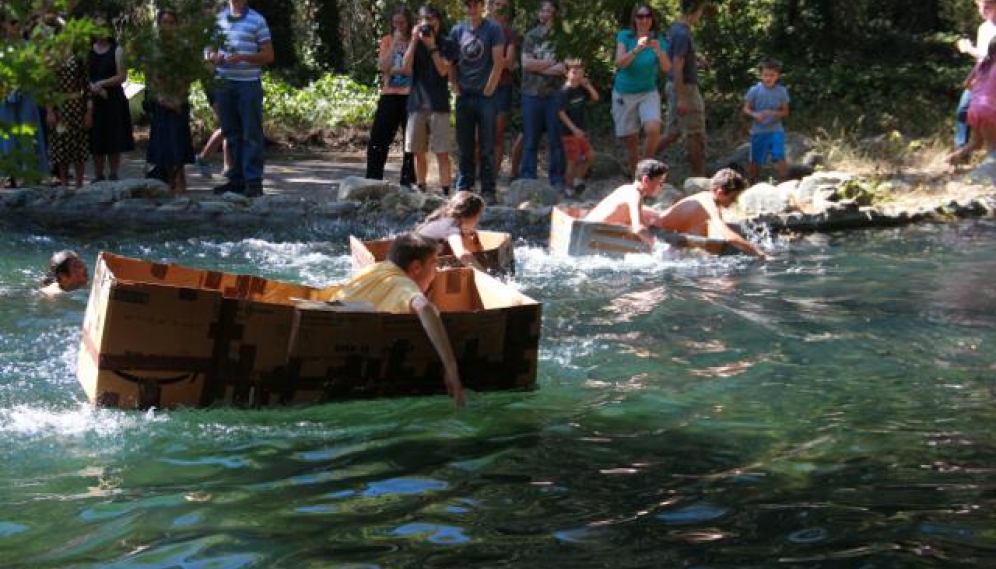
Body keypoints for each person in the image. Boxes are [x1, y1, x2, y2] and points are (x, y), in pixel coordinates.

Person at [330, 232, 465, 407]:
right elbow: (423, 307)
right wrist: (451, 367)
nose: (436, 272)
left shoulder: (372, 270)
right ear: (416, 267)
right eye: (434, 264)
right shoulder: (402, 284)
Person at [207, 0, 274, 197]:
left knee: (251, 133)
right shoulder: (217, 20)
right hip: (223, 84)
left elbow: (269, 55)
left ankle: (253, 182)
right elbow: (207, 50)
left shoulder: (257, 20)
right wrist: (213, 57)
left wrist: (244, 57)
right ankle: (236, 180)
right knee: (231, 132)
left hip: (248, 84)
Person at [449, 0, 505, 202]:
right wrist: (454, 84)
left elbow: (499, 62)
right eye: (467, 5)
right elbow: (452, 61)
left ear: (481, 6)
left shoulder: (493, 28)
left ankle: (488, 190)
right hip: (464, 95)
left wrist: (490, 88)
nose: (471, 9)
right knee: (465, 145)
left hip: (486, 97)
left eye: (474, 4)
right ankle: (464, 187)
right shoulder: (457, 30)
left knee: (487, 145)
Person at [403, 5, 458, 195]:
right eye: (425, 18)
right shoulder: (414, 43)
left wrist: (432, 46)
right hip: (416, 104)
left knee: (442, 152)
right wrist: (412, 40)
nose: (429, 22)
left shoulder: (448, 43)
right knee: (418, 152)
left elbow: (444, 70)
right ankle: (421, 190)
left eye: (433, 18)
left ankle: (445, 194)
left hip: (439, 105)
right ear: (419, 22)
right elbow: (405, 68)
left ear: (439, 21)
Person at [654, 168, 766, 258]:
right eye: (732, 197)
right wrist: (759, 253)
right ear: (720, 192)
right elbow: (729, 236)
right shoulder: (708, 203)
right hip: (657, 235)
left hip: (668, 236)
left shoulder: (711, 201)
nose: (733, 202)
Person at [611, 3, 670, 175]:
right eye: (640, 16)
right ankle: (635, 178)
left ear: (652, 19)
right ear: (634, 19)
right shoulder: (625, 36)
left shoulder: (659, 39)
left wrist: (659, 52)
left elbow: (666, 68)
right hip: (624, 93)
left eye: (647, 16)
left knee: (653, 128)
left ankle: (647, 170)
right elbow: (619, 63)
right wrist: (637, 49)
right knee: (631, 143)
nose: (644, 20)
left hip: (648, 92)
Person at [365, 5, 417, 188]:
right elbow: (383, 66)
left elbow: (412, 70)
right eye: (395, 23)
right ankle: (372, 180)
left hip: (410, 96)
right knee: (378, 139)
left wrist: (398, 69)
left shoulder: (415, 40)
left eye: (402, 22)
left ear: (408, 22)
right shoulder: (387, 40)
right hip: (389, 95)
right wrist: (394, 44)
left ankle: (407, 182)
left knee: (410, 143)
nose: (399, 26)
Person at [145, 9, 195, 194]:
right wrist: (162, 98)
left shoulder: (184, 48)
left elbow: (188, 76)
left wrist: (177, 98)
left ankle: (181, 182)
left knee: (178, 143)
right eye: (164, 22)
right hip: (160, 102)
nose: (168, 26)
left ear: (177, 25)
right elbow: (150, 77)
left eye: (171, 22)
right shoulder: (153, 49)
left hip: (179, 102)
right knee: (163, 146)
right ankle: (166, 183)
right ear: (159, 25)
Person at [519, 1, 566, 191]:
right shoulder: (531, 36)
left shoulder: (562, 38)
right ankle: (528, 179)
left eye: (548, 10)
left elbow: (563, 68)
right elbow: (526, 64)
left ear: (555, 14)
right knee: (530, 138)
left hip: (555, 94)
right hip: (531, 93)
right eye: (542, 10)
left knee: (556, 139)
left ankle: (557, 180)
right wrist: (550, 64)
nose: (545, 14)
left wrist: (539, 65)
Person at [656, 0, 706, 177]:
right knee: (695, 133)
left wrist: (696, 59)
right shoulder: (682, 33)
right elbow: (677, 65)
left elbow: (678, 55)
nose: (701, 14)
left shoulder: (675, 29)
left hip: (674, 85)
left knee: (673, 133)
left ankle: (639, 160)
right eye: (700, 10)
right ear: (693, 10)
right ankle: (700, 178)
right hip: (685, 87)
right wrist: (683, 97)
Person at [1, 16, 50, 188]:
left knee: (28, 132)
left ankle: (29, 172)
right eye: (12, 23)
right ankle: (9, 175)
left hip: (27, 94)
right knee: (7, 135)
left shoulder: (30, 47)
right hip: (4, 95)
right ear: (4, 25)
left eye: (19, 24)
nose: (16, 27)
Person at [87, 13, 134, 183]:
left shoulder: (117, 50)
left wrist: (102, 83)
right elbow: (83, 76)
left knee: (114, 136)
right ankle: (98, 175)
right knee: (96, 137)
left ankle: (114, 173)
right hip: (93, 100)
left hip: (113, 98)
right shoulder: (87, 51)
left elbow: (122, 76)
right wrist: (94, 88)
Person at [584, 158, 669, 246]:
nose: (661, 187)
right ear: (646, 180)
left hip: (585, 228)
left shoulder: (626, 188)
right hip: (589, 235)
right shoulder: (635, 195)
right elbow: (638, 228)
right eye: (660, 182)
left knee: (651, 214)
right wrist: (658, 247)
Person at [47, 47, 92, 189]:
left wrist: (89, 112)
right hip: (59, 108)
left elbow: (87, 88)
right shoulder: (52, 60)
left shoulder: (79, 59)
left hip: (77, 108)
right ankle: (64, 184)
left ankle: (79, 184)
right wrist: (49, 111)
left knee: (79, 145)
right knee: (61, 145)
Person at [948, 36, 996, 165]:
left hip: (974, 109)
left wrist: (980, 91)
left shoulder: (981, 64)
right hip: (989, 111)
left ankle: (950, 159)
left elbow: (966, 84)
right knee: (993, 148)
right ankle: (987, 178)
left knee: (976, 143)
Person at [955, 0, 996, 149]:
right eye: (980, 7)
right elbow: (981, 57)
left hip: (993, 79)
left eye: (988, 7)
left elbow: (990, 56)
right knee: (963, 109)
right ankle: (961, 147)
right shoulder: (983, 28)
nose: (983, 10)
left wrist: (970, 49)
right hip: (981, 74)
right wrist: (966, 48)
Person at [556, 58, 599, 197]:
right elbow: (561, 113)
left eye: (581, 73)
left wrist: (588, 86)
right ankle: (568, 189)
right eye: (574, 72)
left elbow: (595, 98)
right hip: (569, 132)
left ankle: (577, 179)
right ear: (566, 73)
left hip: (581, 131)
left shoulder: (581, 89)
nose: (578, 76)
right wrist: (574, 129)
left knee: (590, 155)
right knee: (572, 160)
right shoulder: (564, 91)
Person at [742, 57, 790, 182]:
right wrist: (755, 115)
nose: (768, 78)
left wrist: (773, 113)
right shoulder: (755, 90)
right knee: (756, 158)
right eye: (765, 75)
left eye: (772, 75)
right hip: (759, 130)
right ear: (761, 75)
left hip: (776, 129)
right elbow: (746, 109)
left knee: (779, 155)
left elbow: (785, 111)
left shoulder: (781, 91)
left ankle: (785, 181)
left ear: (777, 76)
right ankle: (751, 181)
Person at [416, 190, 486, 270]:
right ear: (471, 217)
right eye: (478, 217)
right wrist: (483, 271)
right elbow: (462, 254)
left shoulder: (447, 218)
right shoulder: (452, 228)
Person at [487, 0, 518, 175]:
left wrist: (490, 59)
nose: (500, 8)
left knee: (497, 136)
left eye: (504, 5)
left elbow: (509, 63)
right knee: (477, 136)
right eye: (497, 4)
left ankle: (494, 175)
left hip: (502, 88)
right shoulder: (479, 29)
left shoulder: (510, 33)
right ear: (489, 7)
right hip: (480, 88)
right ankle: (473, 175)